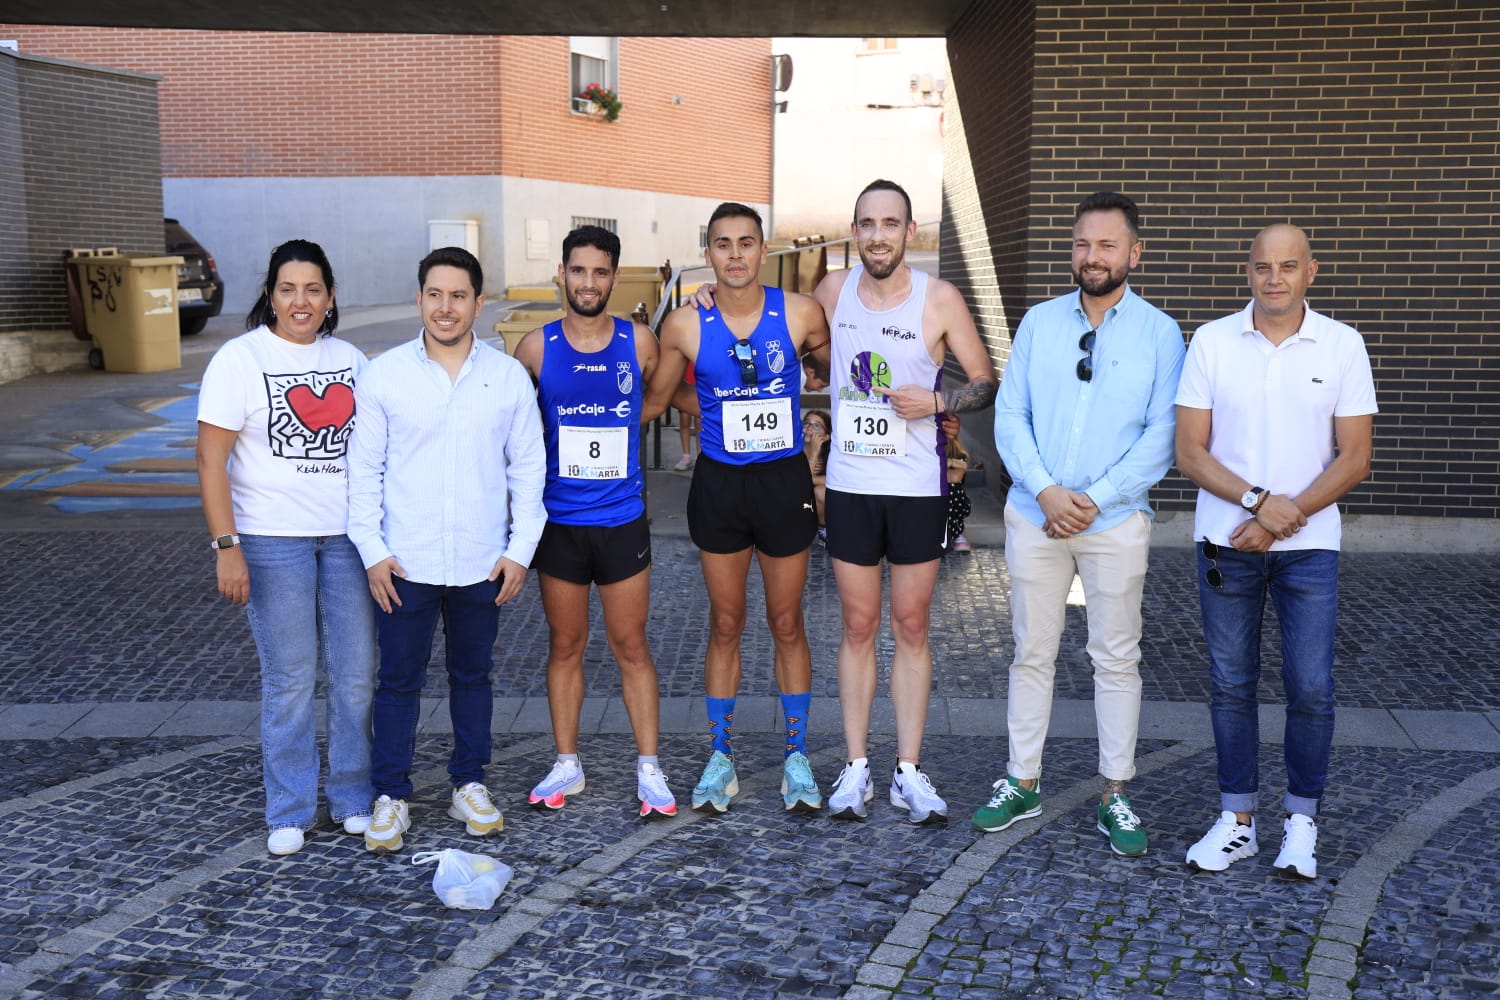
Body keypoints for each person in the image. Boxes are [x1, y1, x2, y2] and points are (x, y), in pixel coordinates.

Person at [975, 192, 1185, 857]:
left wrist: (1091, 497)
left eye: (1105, 246)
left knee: (1116, 657)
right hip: (1037, 517)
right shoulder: (1038, 323)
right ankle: (1022, 779)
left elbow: (1164, 434)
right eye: (1081, 245)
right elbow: (1011, 417)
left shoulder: (1160, 333)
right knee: (1031, 650)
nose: (1090, 258)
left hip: (1115, 520)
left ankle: (1116, 792)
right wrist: (1045, 490)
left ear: (1134, 253)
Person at [1177, 223, 1375, 880]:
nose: (1275, 278)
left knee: (1311, 688)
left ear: (1310, 271)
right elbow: (1190, 453)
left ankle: (1300, 823)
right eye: (1263, 266)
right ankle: (1237, 822)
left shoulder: (1343, 346)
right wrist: (1261, 502)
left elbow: (1355, 458)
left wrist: (1282, 519)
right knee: (1231, 686)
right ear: (1248, 271)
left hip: (1310, 550)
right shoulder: (1211, 342)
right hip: (1226, 544)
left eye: (1288, 266)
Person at [347, 246, 546, 853]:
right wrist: (373, 552)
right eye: (434, 294)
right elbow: (365, 473)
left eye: (458, 295)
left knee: (473, 676)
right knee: (398, 680)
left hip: (481, 561)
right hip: (404, 563)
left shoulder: (506, 375)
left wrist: (520, 551)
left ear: (479, 304)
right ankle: (390, 796)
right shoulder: (385, 375)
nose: (445, 307)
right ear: (419, 299)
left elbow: (528, 470)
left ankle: (470, 784)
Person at [810, 179, 997, 824]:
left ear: (909, 231)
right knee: (858, 627)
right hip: (853, 487)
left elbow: (983, 381)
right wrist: (708, 297)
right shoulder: (832, 293)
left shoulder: (938, 298)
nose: (878, 235)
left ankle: (909, 772)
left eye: (890, 223)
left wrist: (938, 402)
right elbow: (779, 328)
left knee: (911, 626)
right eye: (867, 223)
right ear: (854, 230)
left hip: (916, 489)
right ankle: (857, 767)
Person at [642, 201, 830, 815]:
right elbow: (660, 401)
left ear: (763, 249)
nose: (735, 255)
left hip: (782, 483)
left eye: (746, 243)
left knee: (787, 622)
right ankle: (720, 756)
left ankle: (796, 758)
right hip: (721, 486)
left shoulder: (801, 314)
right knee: (725, 623)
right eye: (723, 245)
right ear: (709, 254)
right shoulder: (684, 324)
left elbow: (842, 374)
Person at [196, 239, 375, 856]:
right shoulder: (239, 360)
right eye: (288, 289)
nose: (301, 301)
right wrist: (227, 545)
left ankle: (353, 796)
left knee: (356, 675)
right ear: (270, 294)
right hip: (273, 543)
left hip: (350, 541)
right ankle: (290, 808)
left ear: (329, 298)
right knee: (292, 678)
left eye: (313, 289)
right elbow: (210, 460)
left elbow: (379, 455)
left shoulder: (352, 359)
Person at [512, 225, 676, 820]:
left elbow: (659, 399)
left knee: (632, 645)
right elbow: (513, 433)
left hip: (622, 520)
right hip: (560, 523)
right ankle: (566, 762)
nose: (588, 282)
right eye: (577, 271)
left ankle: (649, 768)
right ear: (562, 273)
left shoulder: (640, 343)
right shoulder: (534, 348)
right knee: (565, 643)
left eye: (600, 272)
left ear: (614, 276)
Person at [801, 408, 832, 544]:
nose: (809, 428)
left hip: (814, 503)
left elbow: (834, 480)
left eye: (817, 425)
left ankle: (824, 531)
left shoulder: (831, 454)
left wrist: (811, 480)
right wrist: (813, 454)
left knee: (821, 491)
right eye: (807, 423)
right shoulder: (792, 449)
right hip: (794, 500)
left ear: (826, 436)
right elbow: (797, 483)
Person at [943, 414, 972, 554]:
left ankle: (958, 533)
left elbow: (954, 478)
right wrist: (951, 463)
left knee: (952, 490)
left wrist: (941, 464)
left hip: (954, 501)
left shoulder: (960, 454)